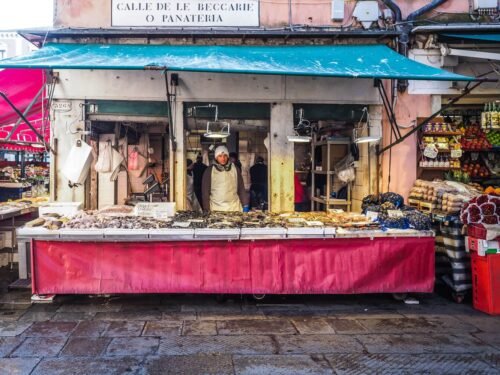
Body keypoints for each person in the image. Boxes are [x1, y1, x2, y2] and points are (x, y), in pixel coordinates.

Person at [202, 145, 249, 212]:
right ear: (216, 157)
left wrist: (245, 204)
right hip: (215, 208)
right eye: (220, 156)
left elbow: (241, 189)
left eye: (225, 156)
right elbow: (205, 193)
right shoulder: (209, 171)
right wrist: (206, 209)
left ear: (228, 156)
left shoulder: (235, 168)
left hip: (234, 208)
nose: (223, 158)